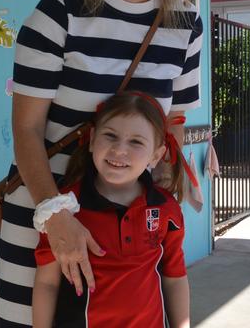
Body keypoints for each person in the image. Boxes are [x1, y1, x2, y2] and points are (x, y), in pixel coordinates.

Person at [0, 0, 203, 327]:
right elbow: (26, 130)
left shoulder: (186, 25)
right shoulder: (58, 13)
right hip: (45, 217)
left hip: (129, 230)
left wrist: (177, 176)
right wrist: (56, 218)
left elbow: (172, 123)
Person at [33, 91, 190, 328]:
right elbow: (47, 283)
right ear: (93, 139)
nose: (119, 149)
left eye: (136, 141)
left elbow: (174, 279)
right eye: (110, 136)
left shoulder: (167, 210)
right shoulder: (63, 211)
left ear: (157, 155)